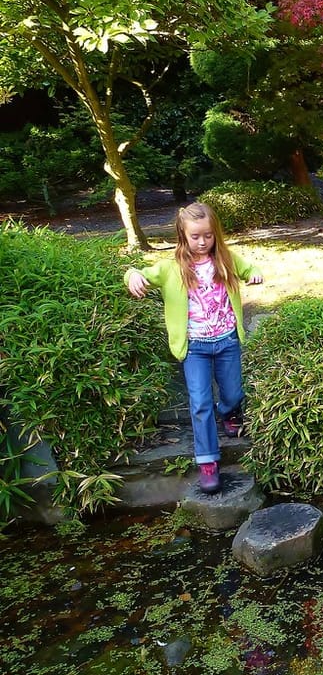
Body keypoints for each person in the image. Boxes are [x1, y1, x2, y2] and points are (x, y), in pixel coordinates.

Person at [126, 202, 262, 494]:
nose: (202, 242)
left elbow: (249, 268)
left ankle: (228, 413)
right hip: (195, 348)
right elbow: (140, 273)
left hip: (227, 341)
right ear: (183, 235)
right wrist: (132, 275)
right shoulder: (170, 268)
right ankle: (208, 461)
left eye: (208, 236)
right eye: (195, 236)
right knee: (200, 403)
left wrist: (254, 273)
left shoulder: (226, 260)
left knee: (233, 393)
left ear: (216, 234)